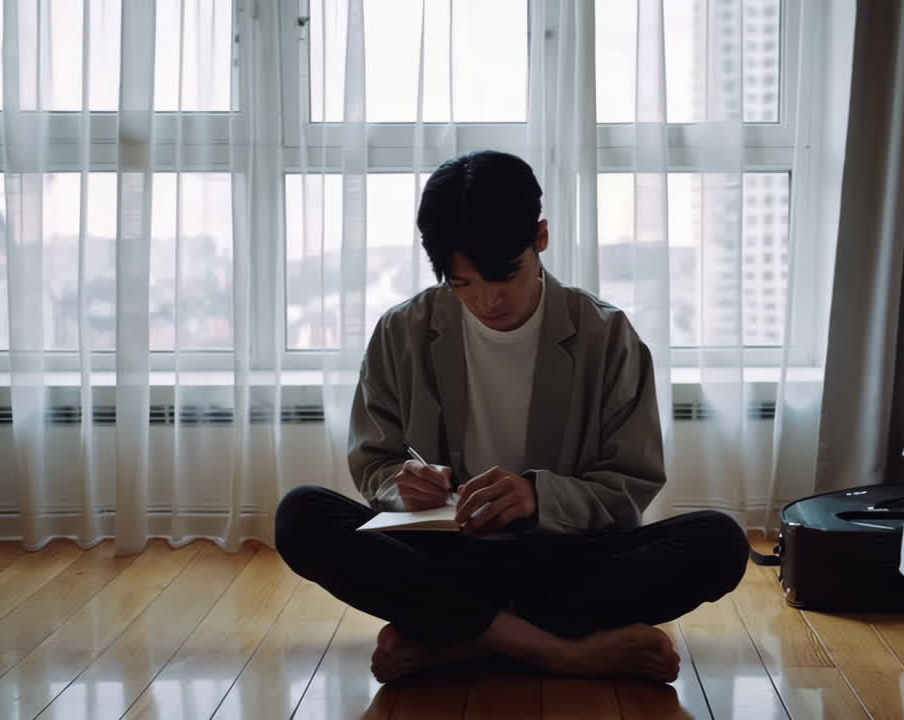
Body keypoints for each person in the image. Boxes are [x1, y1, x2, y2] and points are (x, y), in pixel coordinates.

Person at [274, 150, 749, 684]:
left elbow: (630, 484)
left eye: (505, 274)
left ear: (540, 237)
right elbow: (376, 461)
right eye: (464, 284)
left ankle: (456, 642)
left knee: (720, 541)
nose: (489, 301)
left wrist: (538, 498)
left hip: (565, 558)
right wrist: (401, 485)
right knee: (301, 515)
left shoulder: (607, 336)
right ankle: (561, 651)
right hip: (446, 555)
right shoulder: (402, 332)